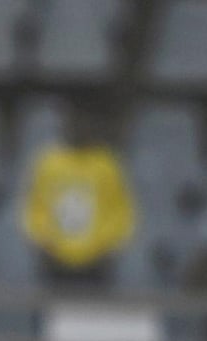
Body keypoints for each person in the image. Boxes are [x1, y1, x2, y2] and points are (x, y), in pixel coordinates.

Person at [20, 94, 137, 288]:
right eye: (72, 122)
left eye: (82, 123)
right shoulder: (47, 162)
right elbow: (34, 207)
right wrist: (42, 241)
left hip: (97, 264)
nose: (77, 127)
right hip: (54, 261)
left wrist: (108, 247)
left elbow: (121, 211)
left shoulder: (106, 163)